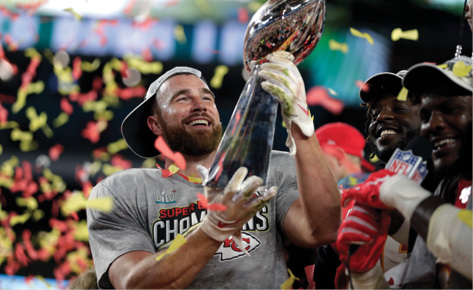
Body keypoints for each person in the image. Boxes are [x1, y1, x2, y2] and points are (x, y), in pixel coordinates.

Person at [86, 51, 341, 289]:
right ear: (155, 124)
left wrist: (300, 125)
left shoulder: (270, 167)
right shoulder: (123, 192)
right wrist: (213, 228)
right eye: (183, 98)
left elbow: (321, 229)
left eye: (207, 97)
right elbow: (135, 283)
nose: (200, 105)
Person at [336, 55, 472, 288]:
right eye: (427, 115)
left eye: (450, 109)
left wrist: (404, 195)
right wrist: (365, 275)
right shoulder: (448, 187)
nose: (434, 125)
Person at [312, 72, 425, 288]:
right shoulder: (354, 198)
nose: (381, 117)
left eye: (399, 109)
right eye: (374, 114)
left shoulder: (454, 185)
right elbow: (325, 274)